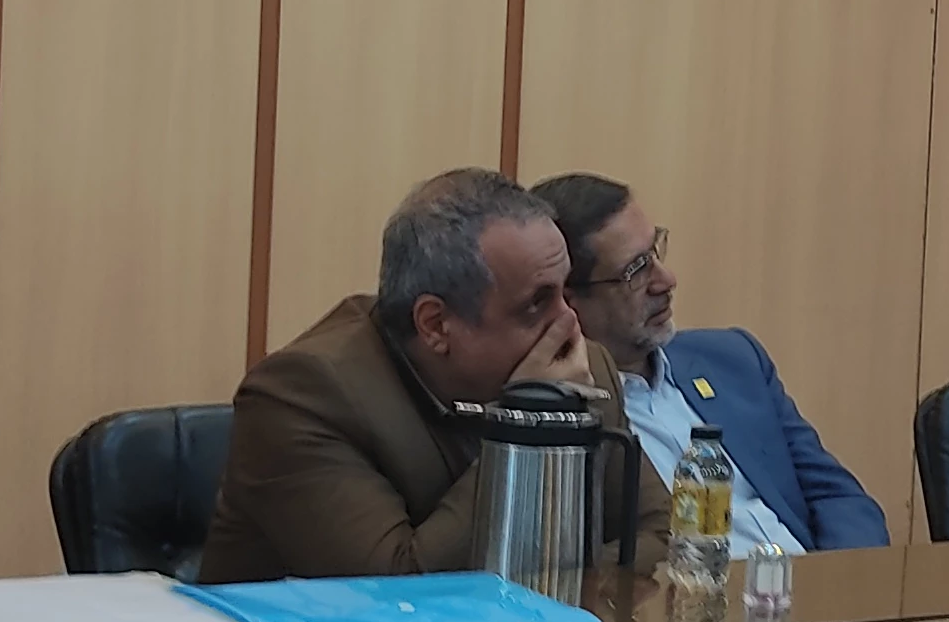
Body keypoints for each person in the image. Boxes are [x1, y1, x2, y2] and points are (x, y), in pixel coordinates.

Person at [202, 169, 668, 583]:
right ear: (436, 325)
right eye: (535, 304)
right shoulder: (304, 397)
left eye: (565, 292)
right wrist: (528, 423)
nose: (569, 324)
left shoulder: (586, 370)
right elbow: (400, 592)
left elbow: (661, 535)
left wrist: (564, 588)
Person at [533, 174, 886, 553]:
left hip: (805, 579)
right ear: (569, 300)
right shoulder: (563, 418)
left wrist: (838, 580)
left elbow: (838, 498)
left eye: (655, 252)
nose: (666, 280)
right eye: (636, 271)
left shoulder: (734, 359)